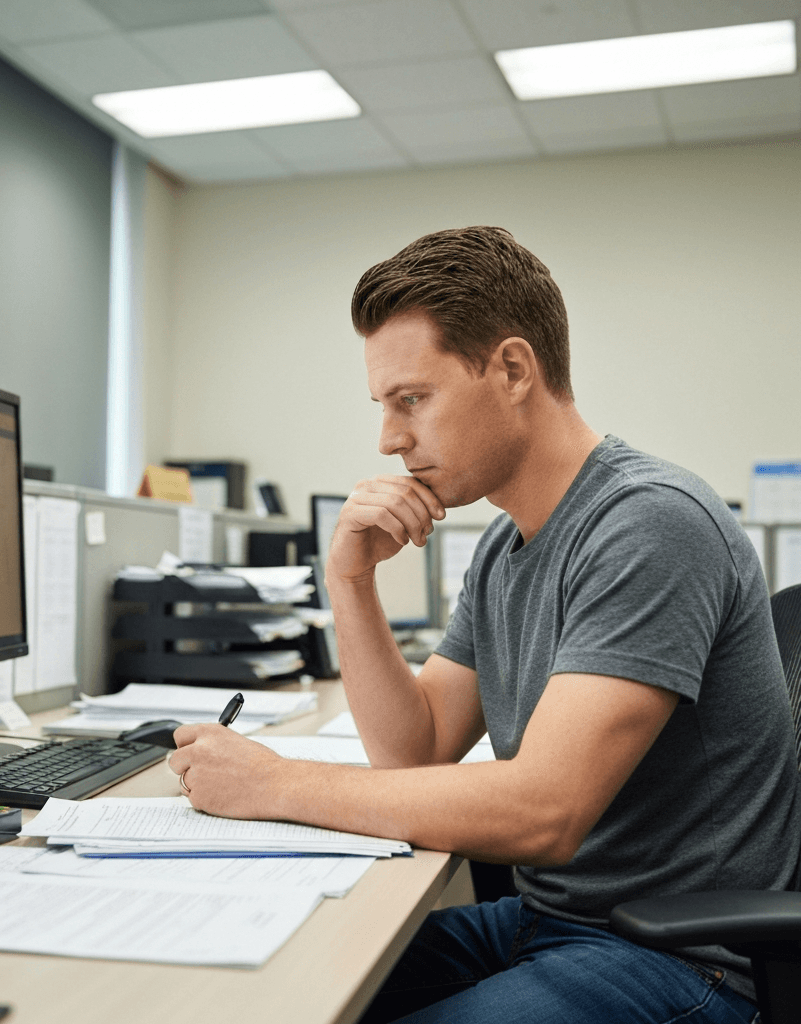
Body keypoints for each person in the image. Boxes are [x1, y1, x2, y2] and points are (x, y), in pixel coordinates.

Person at [169, 227, 800, 1023]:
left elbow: (546, 810)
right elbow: (414, 751)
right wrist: (350, 578)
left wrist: (278, 784)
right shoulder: (506, 544)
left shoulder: (650, 523)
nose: (389, 439)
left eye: (412, 400)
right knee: (265, 993)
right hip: (553, 925)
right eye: (384, 406)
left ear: (511, 369)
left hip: (678, 960)